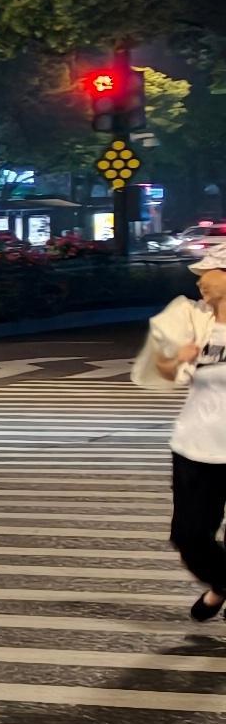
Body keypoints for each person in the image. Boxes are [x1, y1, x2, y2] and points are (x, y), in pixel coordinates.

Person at [131, 245, 226, 622]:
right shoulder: (189, 317)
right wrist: (178, 357)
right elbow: (164, 371)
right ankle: (222, 584)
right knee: (188, 538)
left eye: (210, 273)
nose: (201, 281)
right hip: (195, 446)